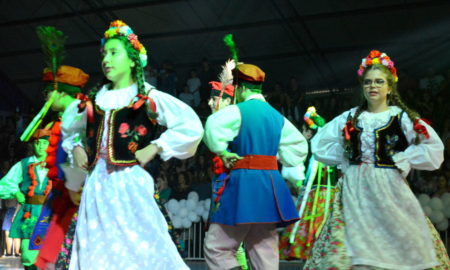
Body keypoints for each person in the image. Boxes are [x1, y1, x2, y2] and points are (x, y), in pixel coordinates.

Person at [68, 20, 203, 269]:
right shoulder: (93, 100)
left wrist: (156, 146)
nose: (106, 59)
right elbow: (72, 130)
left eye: (114, 52)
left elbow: (190, 126)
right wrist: (76, 147)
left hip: (129, 183)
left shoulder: (147, 97)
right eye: (104, 54)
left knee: (140, 242)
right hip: (97, 185)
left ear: (132, 60)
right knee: (96, 243)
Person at [304, 50, 450, 269]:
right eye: (368, 82)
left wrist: (404, 157)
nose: (373, 86)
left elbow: (433, 147)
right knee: (346, 250)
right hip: (353, 189)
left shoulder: (402, 118)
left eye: (379, 82)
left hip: (388, 189)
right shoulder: (350, 116)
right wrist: (346, 153)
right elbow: (320, 144)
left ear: (390, 87)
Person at [203, 63, 308, 270]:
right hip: (270, 186)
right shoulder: (278, 118)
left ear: (241, 88)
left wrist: (222, 151)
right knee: (264, 250)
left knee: (217, 247)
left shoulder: (238, 111)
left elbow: (212, 128)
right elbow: (298, 148)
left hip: (243, 184)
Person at [32, 64, 90, 270]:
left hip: (77, 192)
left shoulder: (79, 113)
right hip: (66, 189)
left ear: (61, 91)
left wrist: (76, 186)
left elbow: (82, 153)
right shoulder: (67, 116)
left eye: (50, 92)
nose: (47, 98)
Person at [279, 106, 337, 261]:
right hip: (312, 190)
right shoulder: (306, 151)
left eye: (309, 130)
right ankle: (307, 248)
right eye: (306, 130)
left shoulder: (318, 152)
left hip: (323, 189)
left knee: (320, 215)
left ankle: (316, 248)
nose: (308, 133)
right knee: (310, 215)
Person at [0, 128, 51, 270]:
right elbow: (5, 183)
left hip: (50, 211)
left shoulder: (55, 162)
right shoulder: (24, 164)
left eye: (44, 143)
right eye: (37, 143)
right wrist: (16, 192)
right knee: (28, 253)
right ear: (32, 145)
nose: (40, 146)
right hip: (29, 212)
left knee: (49, 252)